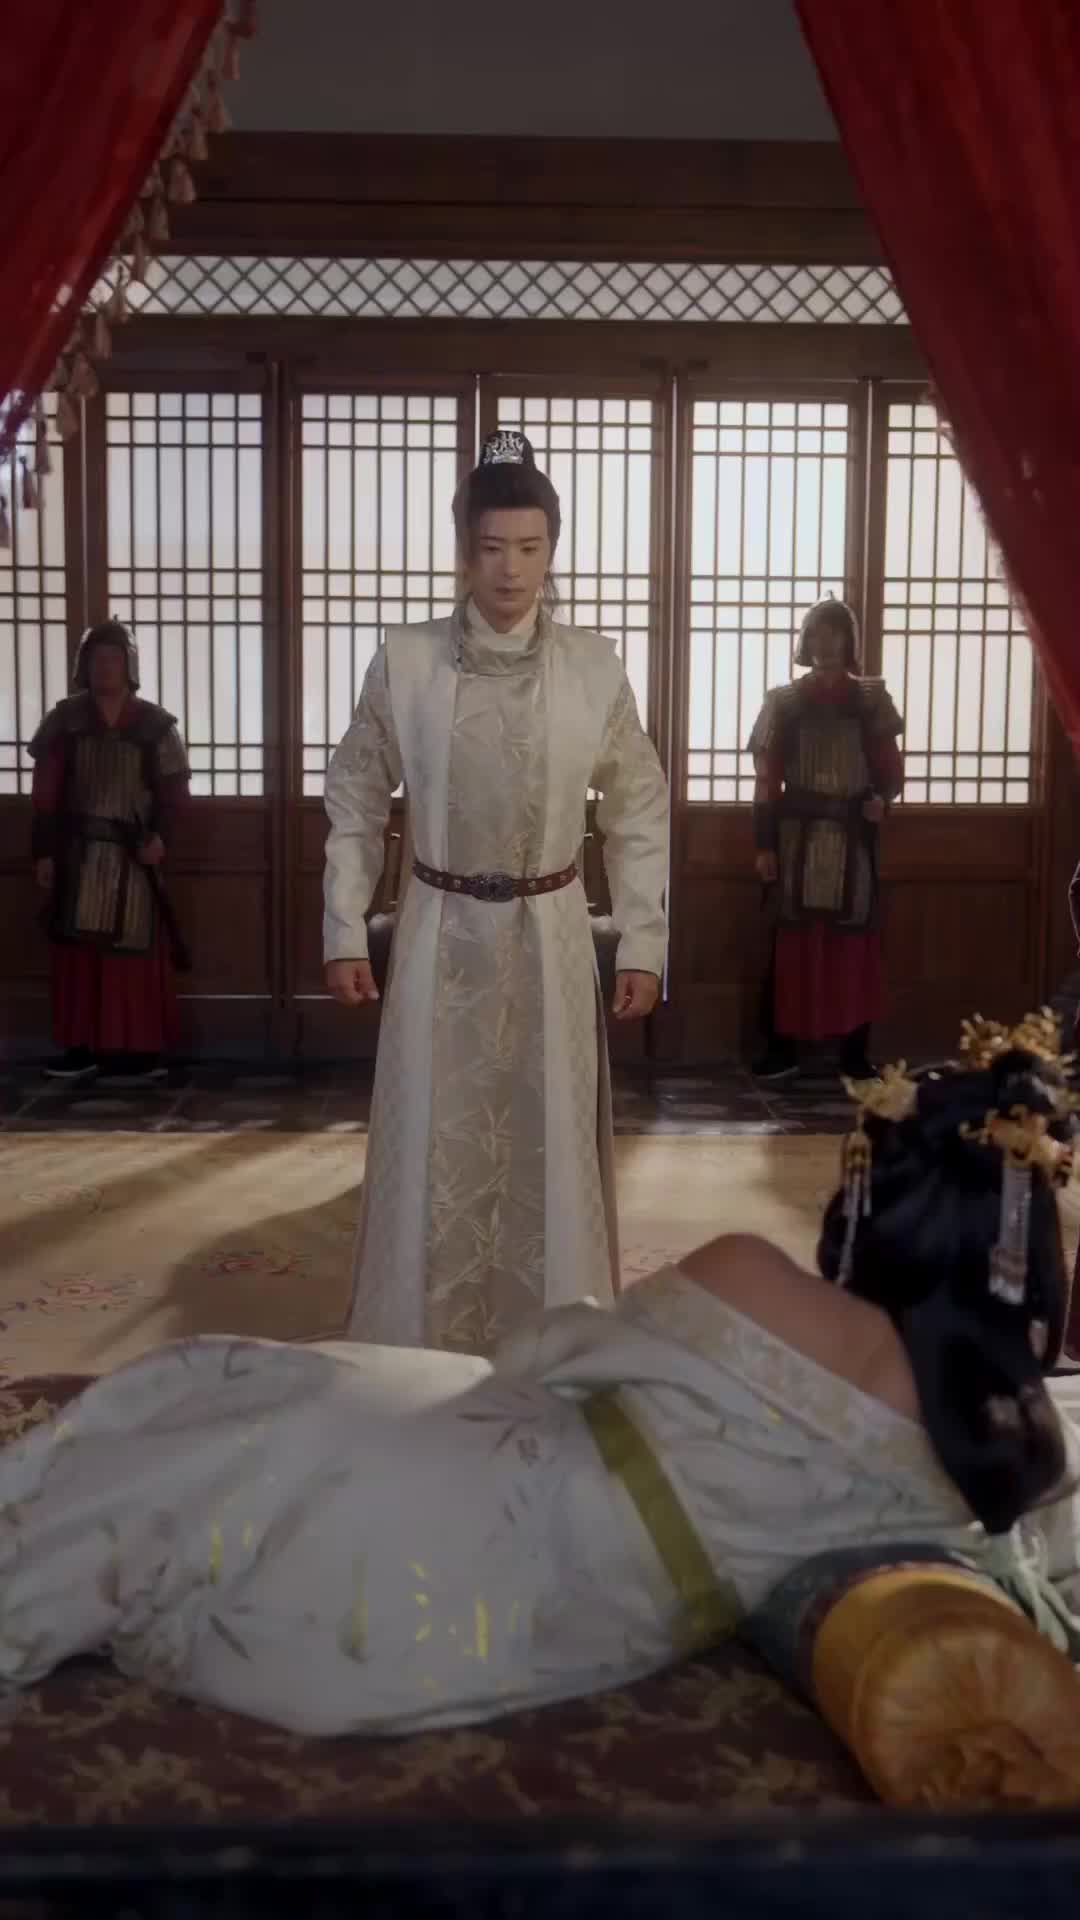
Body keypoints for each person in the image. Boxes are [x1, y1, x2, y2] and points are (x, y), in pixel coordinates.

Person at [0, 1010, 1077, 1738]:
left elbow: (542, 1354)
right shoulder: (1001, 1448)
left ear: (867, 1197)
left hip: (498, 1474)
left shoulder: (756, 1276)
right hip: (590, 1620)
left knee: (213, 1414)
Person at [323, 430, 670, 1353]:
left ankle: (553, 1338)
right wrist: (345, 926)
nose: (511, 569)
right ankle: (418, 1340)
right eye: (491, 547)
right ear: (463, 550)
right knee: (432, 1142)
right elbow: (356, 793)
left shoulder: (594, 668)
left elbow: (638, 808)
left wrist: (642, 941)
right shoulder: (407, 662)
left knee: (545, 1140)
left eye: (529, 547)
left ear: (553, 550)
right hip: (437, 932)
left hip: (551, 932)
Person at [29, 621, 191, 1086]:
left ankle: (137, 1052)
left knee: (132, 956)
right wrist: (44, 853)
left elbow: (174, 794)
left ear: (129, 665)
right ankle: (80, 1049)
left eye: (114, 658)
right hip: (76, 855)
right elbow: (45, 794)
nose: (106, 667)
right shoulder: (64, 721)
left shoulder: (155, 725)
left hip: (134, 857)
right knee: (77, 956)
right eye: (98, 658)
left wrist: (161, 839)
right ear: (85, 665)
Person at [749, 597, 903, 1083]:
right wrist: (764, 844)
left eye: (834, 632)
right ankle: (783, 1049)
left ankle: (855, 1053)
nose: (825, 642)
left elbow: (890, 770)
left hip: (854, 839)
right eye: (816, 632)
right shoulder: (783, 702)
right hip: (796, 838)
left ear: (848, 639)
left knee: (855, 944)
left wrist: (882, 799)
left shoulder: (872, 700)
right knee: (793, 943)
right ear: (805, 640)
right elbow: (766, 781)